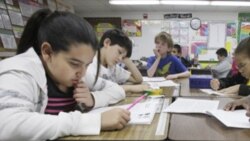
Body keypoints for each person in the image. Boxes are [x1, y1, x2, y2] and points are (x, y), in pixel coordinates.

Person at [0, 9, 130, 140]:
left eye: (87, 64)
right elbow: (7, 125)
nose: (82, 72)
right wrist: (93, 121)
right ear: (47, 52)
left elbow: (117, 90)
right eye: (74, 63)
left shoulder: (78, 76)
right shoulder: (19, 72)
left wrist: (92, 99)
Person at [87, 29, 149, 93]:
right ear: (107, 43)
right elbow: (100, 89)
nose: (120, 59)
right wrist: (130, 88)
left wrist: (126, 59)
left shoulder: (113, 67)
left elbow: (138, 79)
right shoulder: (88, 65)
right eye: (119, 52)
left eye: (123, 57)